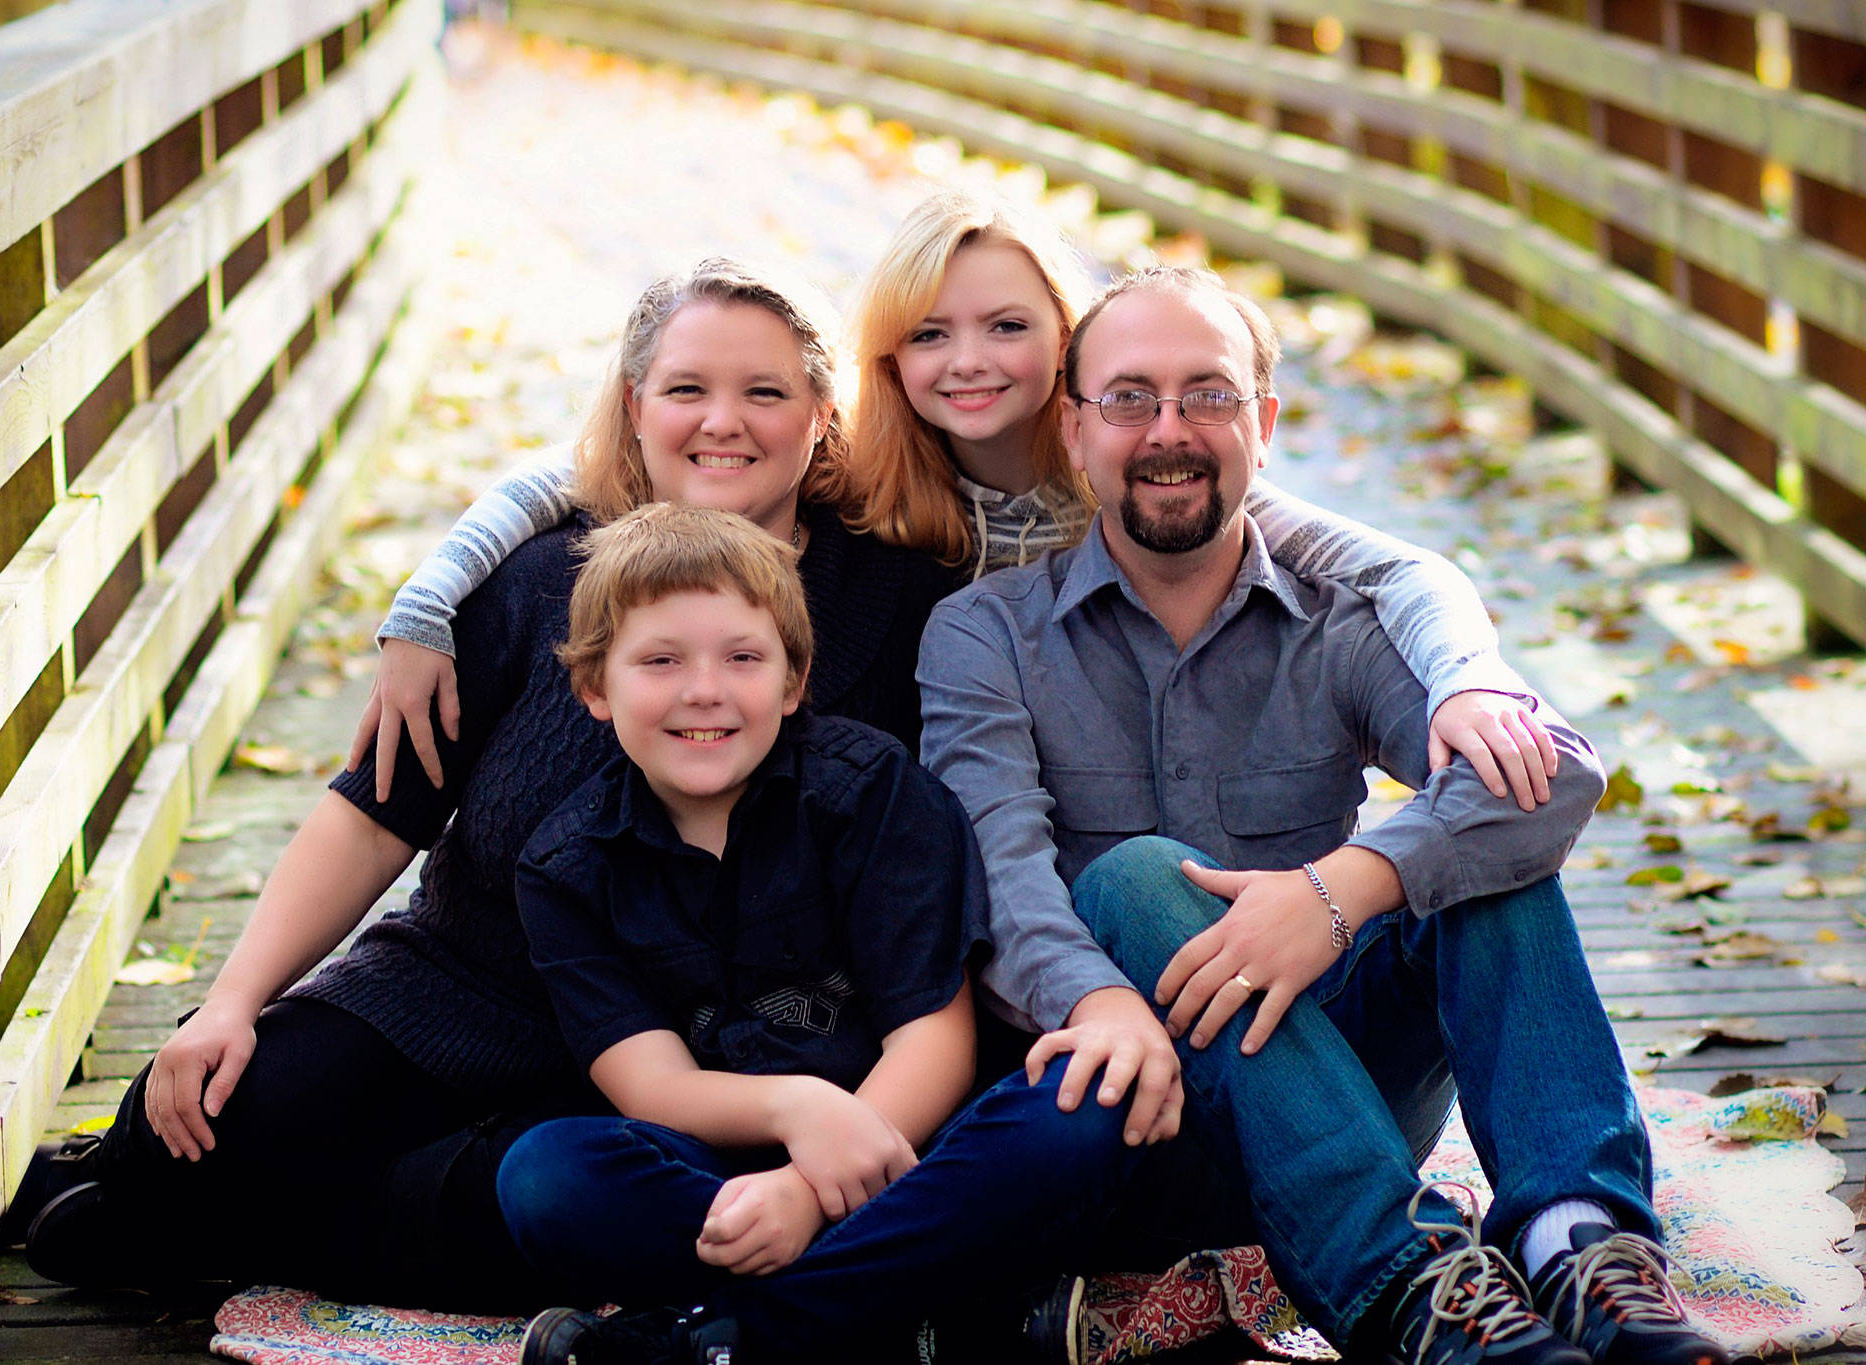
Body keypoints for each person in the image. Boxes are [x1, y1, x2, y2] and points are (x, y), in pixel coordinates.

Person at [13, 259, 962, 1309]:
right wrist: (234, 1000)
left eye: (765, 392)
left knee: (545, 1195)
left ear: (823, 417)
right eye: (687, 389)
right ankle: (150, 1190)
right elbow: (377, 815)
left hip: (690, 1053)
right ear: (636, 405)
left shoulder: (895, 601)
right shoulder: (536, 578)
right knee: (197, 1105)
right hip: (459, 991)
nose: (720, 423)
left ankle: (230, 1220)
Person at [916, 264, 1730, 1365]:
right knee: (1129, 880)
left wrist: (1341, 890)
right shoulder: (985, 635)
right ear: (1072, 428)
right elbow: (1000, 881)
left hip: (1344, 1088)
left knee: (1482, 851)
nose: (1169, 430)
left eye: (1206, 395)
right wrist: (1098, 1000)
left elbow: (1558, 773)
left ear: (1262, 421)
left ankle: (1574, 1243)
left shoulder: (1340, 624)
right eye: (1129, 398)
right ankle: (1407, 1288)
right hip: (1140, 1119)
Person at [351, 191, 1560, 820]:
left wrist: (1463, 677)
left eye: (1006, 327)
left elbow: (1400, 569)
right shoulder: (862, 475)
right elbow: (583, 476)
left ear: (1066, 340)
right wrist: (424, 605)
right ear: (885, 356)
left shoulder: (1134, 466)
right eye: (927, 333)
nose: (967, 361)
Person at [497, 503, 1134, 1365]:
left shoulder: (873, 792)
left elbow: (935, 1039)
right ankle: (925, 1318)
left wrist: (809, 1193)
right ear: (595, 688)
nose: (704, 690)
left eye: (743, 658)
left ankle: (729, 1340)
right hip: (717, 1175)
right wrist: (794, 1115)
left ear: (794, 680)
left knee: (1080, 1109)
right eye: (660, 660)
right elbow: (652, 1084)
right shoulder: (565, 863)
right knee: (546, 1174)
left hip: (916, 1149)